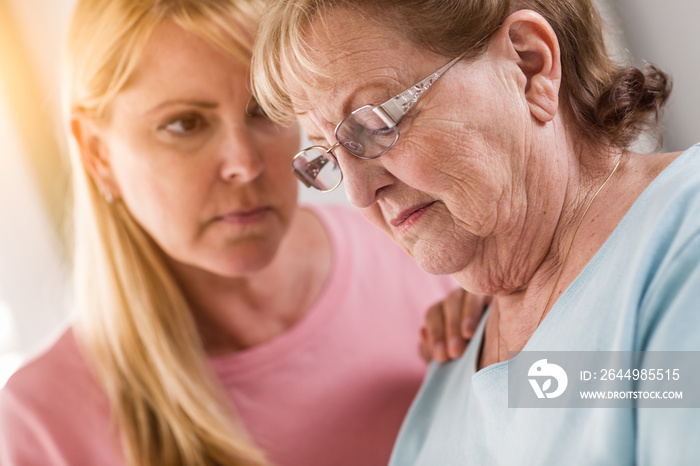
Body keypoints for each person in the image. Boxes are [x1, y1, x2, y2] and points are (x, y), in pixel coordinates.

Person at [0, 1, 484, 465]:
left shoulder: (420, 246)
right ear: (97, 154)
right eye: (185, 124)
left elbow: (554, 400)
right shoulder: (41, 424)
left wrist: (504, 353)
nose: (245, 165)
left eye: (263, 111)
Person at [252, 0, 700, 464]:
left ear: (529, 66)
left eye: (376, 125)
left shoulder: (684, 237)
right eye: (329, 156)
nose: (361, 195)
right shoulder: (456, 355)